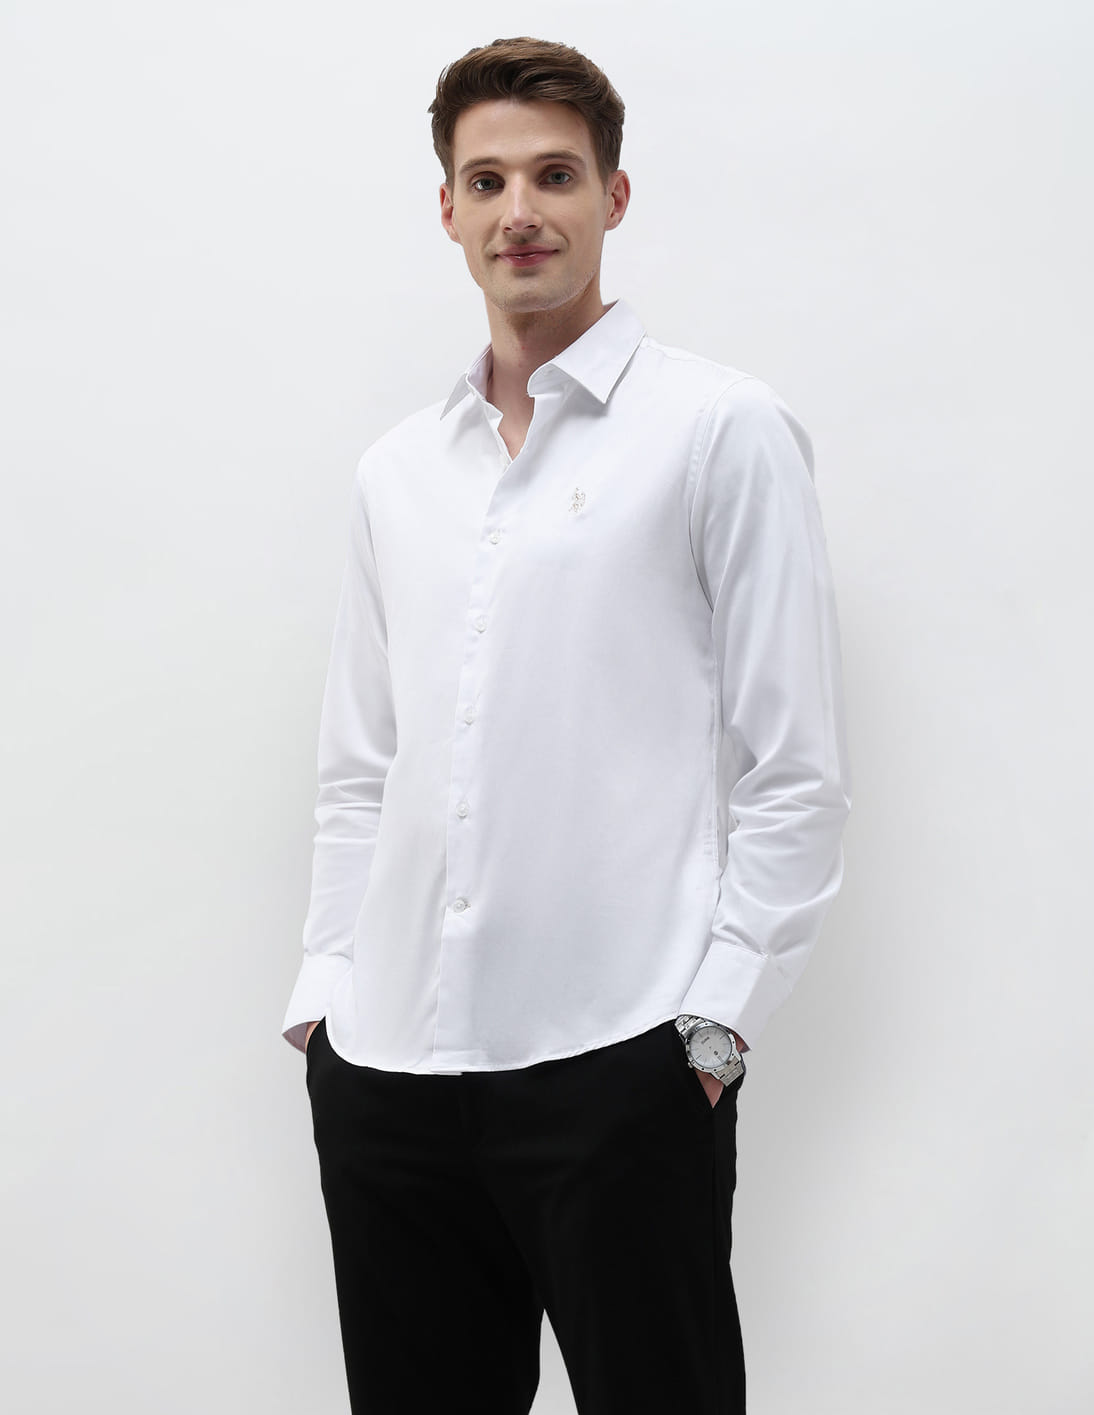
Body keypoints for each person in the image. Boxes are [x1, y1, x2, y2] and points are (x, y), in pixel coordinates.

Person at [282, 34, 852, 1415]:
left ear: (613, 196)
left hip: (623, 1063)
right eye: (486, 181)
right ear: (447, 209)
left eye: (554, 175)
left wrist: (712, 1033)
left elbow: (794, 774)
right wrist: (324, 999)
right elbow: (362, 766)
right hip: (391, 1073)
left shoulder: (718, 430)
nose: (519, 210)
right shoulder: (397, 471)